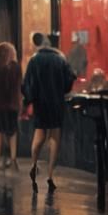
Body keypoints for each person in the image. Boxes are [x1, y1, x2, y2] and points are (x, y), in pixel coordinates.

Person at [22, 31, 76, 192]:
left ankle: (34, 164)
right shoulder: (60, 59)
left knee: (39, 135)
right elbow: (68, 82)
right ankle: (50, 175)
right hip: (56, 103)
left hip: (40, 104)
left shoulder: (34, 60)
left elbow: (27, 85)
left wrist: (28, 101)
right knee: (54, 137)